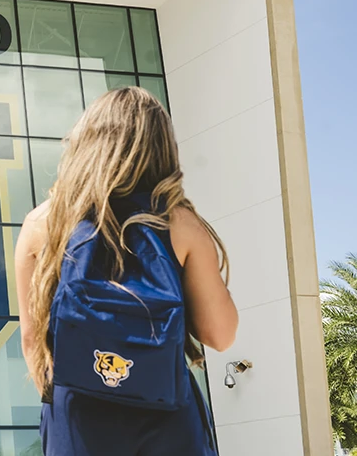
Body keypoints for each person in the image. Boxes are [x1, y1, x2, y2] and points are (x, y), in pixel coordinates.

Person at [14, 86, 238, 455]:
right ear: (161, 148)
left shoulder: (42, 224)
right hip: (164, 409)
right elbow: (220, 334)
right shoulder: (178, 224)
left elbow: (31, 340)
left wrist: (82, 393)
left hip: (77, 415)